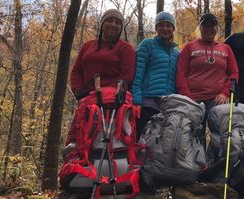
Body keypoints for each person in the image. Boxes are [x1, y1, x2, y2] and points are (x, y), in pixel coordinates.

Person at [67, 8, 135, 143]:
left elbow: (127, 75)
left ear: (121, 27)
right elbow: (76, 71)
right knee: (80, 134)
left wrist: (107, 92)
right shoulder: (88, 46)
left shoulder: (125, 48)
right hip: (86, 97)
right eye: (109, 20)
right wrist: (79, 91)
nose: (113, 25)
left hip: (114, 99)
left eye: (117, 22)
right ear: (102, 23)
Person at [176, 13, 239, 144]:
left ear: (217, 28)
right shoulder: (189, 47)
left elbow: (233, 73)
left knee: (219, 135)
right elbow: (180, 72)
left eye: (212, 26)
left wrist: (225, 93)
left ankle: (215, 161)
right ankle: (198, 163)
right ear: (200, 27)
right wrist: (187, 96)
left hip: (217, 100)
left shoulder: (225, 48)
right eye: (205, 25)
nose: (209, 29)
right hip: (193, 100)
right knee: (195, 136)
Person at [131, 11, 179, 137]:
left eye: (168, 25)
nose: (165, 28)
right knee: (142, 138)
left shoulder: (176, 53)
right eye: (161, 25)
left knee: (162, 142)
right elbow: (138, 73)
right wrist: (137, 100)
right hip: (148, 102)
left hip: (168, 104)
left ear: (173, 28)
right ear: (156, 28)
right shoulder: (147, 45)